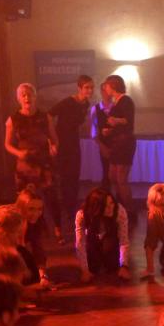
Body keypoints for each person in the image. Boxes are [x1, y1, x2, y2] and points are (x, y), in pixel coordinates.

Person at [4, 83, 62, 242]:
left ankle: (58, 229)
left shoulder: (45, 117)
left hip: (44, 163)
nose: (26, 98)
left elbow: (54, 139)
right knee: (25, 200)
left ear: (35, 97)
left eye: (29, 94)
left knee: (51, 198)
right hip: (25, 165)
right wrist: (19, 153)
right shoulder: (13, 120)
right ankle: (26, 233)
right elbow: (7, 144)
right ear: (18, 99)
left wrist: (54, 147)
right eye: (23, 95)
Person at [50, 75, 95, 230]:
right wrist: (52, 139)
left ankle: (72, 208)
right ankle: (66, 209)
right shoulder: (68, 102)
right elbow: (49, 115)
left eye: (91, 87)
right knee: (64, 176)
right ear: (79, 88)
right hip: (62, 142)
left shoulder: (86, 104)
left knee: (74, 175)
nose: (90, 90)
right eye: (87, 87)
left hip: (74, 142)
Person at [75, 188, 131, 283]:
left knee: (112, 266)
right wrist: (84, 270)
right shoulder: (82, 215)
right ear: (97, 208)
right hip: (92, 238)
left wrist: (124, 265)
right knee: (93, 268)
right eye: (106, 206)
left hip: (110, 237)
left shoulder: (119, 211)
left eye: (112, 203)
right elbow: (80, 243)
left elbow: (123, 240)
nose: (111, 207)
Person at [102, 75, 136, 218]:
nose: (105, 88)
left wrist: (114, 120)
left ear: (113, 86)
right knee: (112, 176)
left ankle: (130, 210)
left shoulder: (126, 100)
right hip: (117, 142)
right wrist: (109, 130)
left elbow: (128, 120)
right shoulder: (116, 102)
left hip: (124, 143)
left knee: (121, 178)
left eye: (107, 86)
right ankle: (120, 205)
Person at [14, 187, 51, 284]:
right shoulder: (10, 220)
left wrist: (43, 276)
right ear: (21, 208)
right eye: (31, 209)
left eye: (39, 209)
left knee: (32, 276)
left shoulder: (35, 224)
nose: (36, 213)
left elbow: (38, 249)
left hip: (13, 252)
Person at [90, 82, 113, 190]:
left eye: (108, 90)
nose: (106, 93)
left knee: (117, 174)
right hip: (104, 144)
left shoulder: (117, 106)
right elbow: (93, 131)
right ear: (101, 92)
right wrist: (101, 146)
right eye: (104, 90)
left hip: (118, 144)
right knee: (106, 171)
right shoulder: (95, 109)